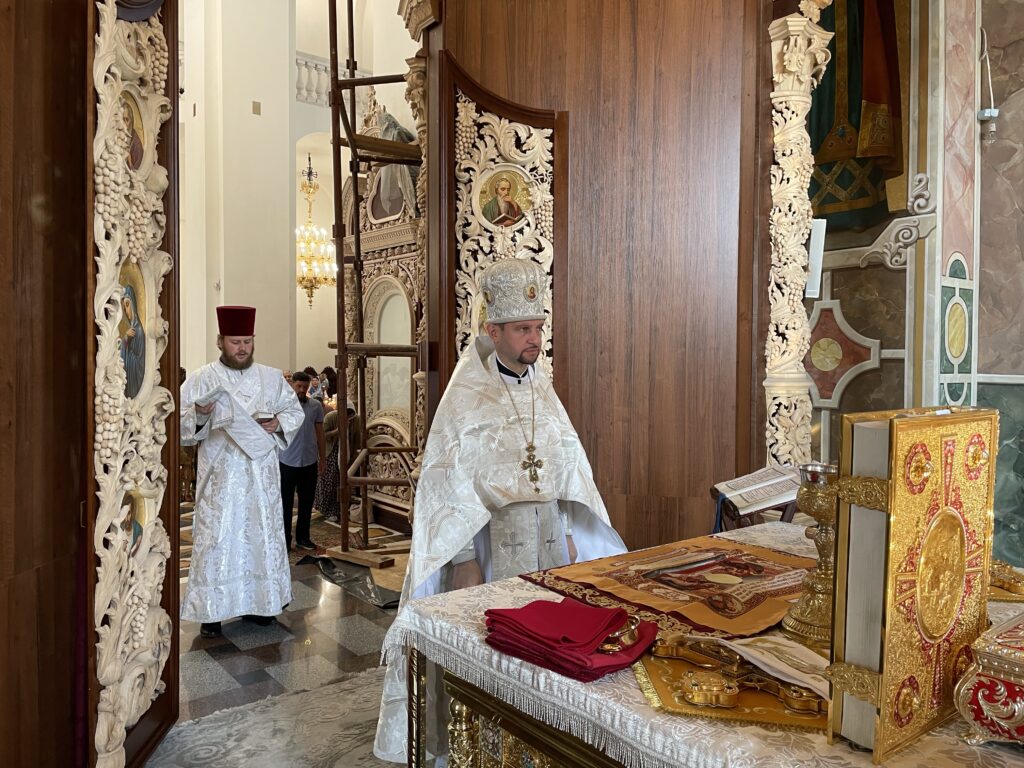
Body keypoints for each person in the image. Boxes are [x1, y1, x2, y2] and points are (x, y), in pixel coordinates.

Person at [374, 258, 626, 762]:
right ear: (494, 331)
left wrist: (568, 527)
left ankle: (542, 747)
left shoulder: (541, 389)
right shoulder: (466, 396)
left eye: (538, 328)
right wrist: (464, 558)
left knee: (550, 645)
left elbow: (563, 466)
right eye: (522, 330)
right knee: (495, 653)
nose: (535, 339)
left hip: (548, 541)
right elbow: (449, 485)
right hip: (492, 548)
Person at [179, 306, 305, 638]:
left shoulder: (270, 377)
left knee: (259, 538)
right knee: (217, 540)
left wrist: (278, 422)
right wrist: (200, 415)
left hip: (260, 477)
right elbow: (179, 425)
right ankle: (211, 611)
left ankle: (260, 604)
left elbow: (294, 412)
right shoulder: (202, 378)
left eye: (247, 341)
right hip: (220, 478)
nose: (242, 348)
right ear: (220, 341)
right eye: (235, 342)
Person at [279, 371, 325, 551]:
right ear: (292, 385)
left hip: (309, 460)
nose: (301, 390)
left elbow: (320, 434)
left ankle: (303, 537)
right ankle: (284, 540)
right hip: (286, 460)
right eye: (298, 386)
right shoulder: (283, 406)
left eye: (305, 387)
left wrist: (323, 458)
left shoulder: (315, 406)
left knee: (306, 502)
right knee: (285, 503)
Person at [120, 284, 146, 398]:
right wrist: (125, 338)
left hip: (134, 380)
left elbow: (139, 362)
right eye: (124, 307)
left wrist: (125, 341)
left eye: (127, 305)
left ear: (133, 305)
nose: (126, 310)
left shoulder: (138, 330)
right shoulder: (132, 329)